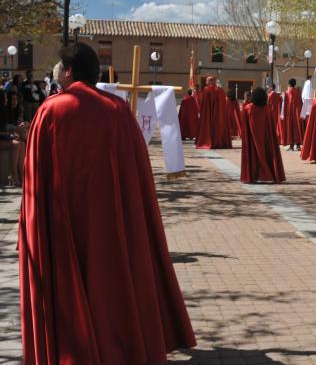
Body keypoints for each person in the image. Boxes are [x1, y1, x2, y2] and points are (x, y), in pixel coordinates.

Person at [19, 42, 196, 364]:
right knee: (112, 283)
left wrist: (31, 229)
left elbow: (34, 179)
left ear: (68, 71)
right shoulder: (117, 110)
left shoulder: (52, 109)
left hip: (62, 221)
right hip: (112, 220)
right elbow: (136, 175)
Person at [240, 87, 286, 183]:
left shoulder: (248, 109)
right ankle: (271, 174)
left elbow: (244, 126)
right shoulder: (267, 110)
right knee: (268, 152)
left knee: (253, 154)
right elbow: (271, 127)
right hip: (266, 139)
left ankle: (252, 175)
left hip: (252, 139)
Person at [196, 76, 232, 149]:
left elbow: (204, 104)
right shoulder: (221, 90)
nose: (206, 82)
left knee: (209, 127)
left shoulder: (206, 89)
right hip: (220, 115)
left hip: (209, 114)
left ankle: (209, 141)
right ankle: (220, 142)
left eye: (207, 80)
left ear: (211, 81)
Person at [280, 78, 303, 150]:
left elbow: (284, 104)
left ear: (289, 84)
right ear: (295, 84)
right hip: (297, 112)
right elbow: (301, 102)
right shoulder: (298, 91)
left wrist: (282, 114)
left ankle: (291, 146)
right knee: (297, 128)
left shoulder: (287, 92)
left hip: (289, 112)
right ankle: (298, 145)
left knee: (290, 128)